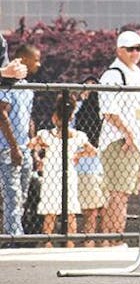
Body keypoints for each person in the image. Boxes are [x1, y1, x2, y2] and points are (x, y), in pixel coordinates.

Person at [98, 31, 140, 246]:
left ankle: (111, 240)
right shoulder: (113, 74)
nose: (136, 53)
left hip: (133, 140)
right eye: (131, 49)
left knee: (121, 194)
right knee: (118, 194)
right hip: (119, 142)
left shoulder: (136, 72)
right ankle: (114, 239)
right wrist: (128, 135)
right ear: (119, 50)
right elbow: (109, 112)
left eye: (139, 49)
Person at [28, 99, 97, 247]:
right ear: (71, 117)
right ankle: (70, 242)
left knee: (50, 212)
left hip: (51, 174)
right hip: (69, 174)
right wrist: (78, 155)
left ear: (54, 117)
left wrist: (39, 155)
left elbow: (31, 145)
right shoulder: (78, 136)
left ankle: (48, 243)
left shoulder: (46, 135)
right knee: (70, 211)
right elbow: (92, 151)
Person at [0, 44, 41, 238]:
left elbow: (29, 119)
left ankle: (16, 231)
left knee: (22, 195)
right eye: (36, 60)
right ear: (23, 60)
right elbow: (2, 114)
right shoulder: (8, 85)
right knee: (12, 194)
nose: (39, 64)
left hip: (24, 147)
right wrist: (14, 147)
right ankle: (12, 236)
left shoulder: (27, 88)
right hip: (8, 148)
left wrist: (32, 149)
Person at [70, 77, 105, 247]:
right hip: (90, 166)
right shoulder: (77, 110)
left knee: (92, 209)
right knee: (93, 209)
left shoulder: (80, 110)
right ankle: (92, 242)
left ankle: (92, 243)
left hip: (88, 165)